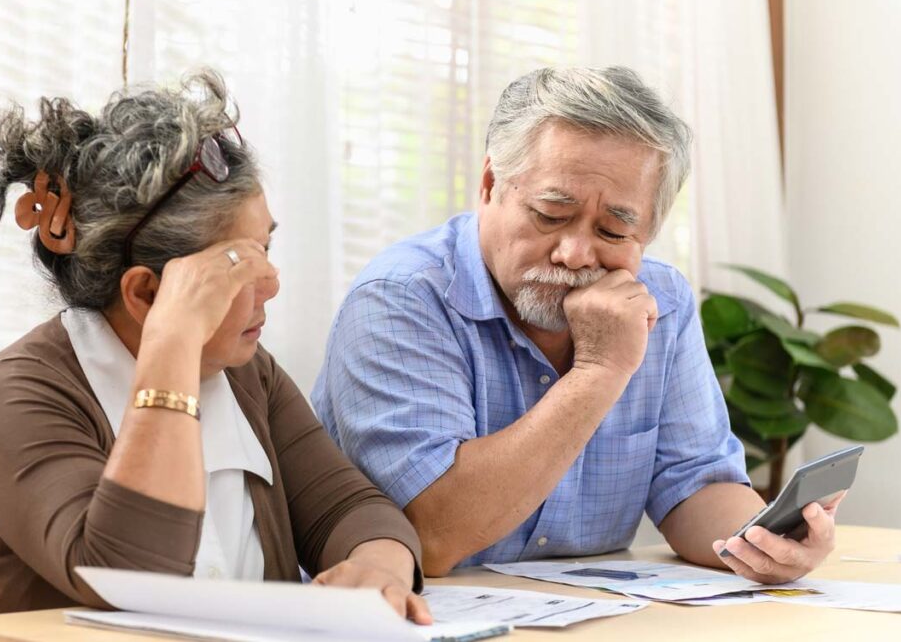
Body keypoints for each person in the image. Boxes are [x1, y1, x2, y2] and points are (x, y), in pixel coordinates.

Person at [0, 70, 430, 642]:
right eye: (238, 266)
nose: (272, 284)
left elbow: (350, 507)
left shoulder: (246, 372)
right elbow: (129, 576)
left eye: (267, 248)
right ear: (146, 294)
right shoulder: (15, 396)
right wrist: (170, 343)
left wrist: (380, 567)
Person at [312, 66, 842, 580]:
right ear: (491, 182)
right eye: (550, 214)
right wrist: (600, 369)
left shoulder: (664, 300)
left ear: (650, 230)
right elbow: (436, 534)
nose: (574, 253)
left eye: (613, 231)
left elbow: (693, 484)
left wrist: (767, 545)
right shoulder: (400, 298)